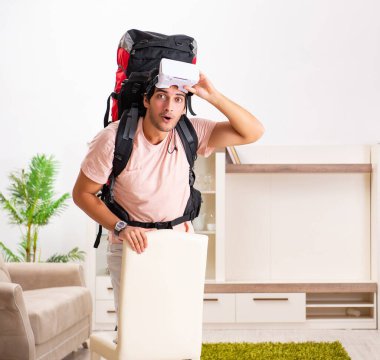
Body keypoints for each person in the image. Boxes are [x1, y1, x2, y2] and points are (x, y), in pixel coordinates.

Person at [72, 71, 265, 328]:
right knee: (135, 330)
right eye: (162, 96)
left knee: (177, 328)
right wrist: (121, 227)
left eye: (178, 99)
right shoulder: (114, 140)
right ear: (146, 100)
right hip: (132, 246)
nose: (169, 107)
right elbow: (82, 194)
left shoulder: (189, 131)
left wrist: (214, 96)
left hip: (179, 244)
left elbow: (253, 132)